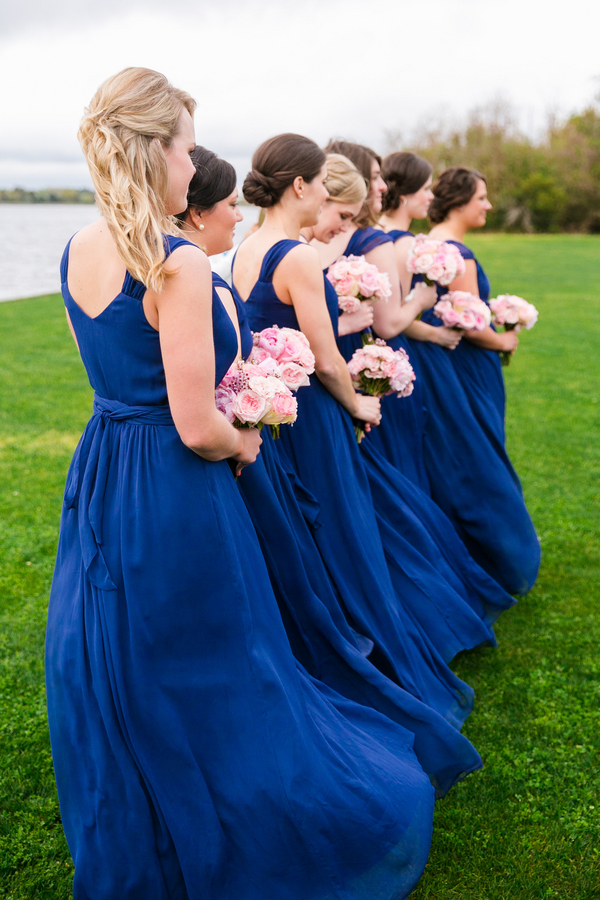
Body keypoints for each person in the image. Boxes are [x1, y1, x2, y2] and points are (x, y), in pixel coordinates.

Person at [45, 69, 439, 900]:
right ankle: (232, 811)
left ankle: (152, 807)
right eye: (188, 147)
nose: (195, 166)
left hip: (106, 468)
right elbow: (195, 424)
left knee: (130, 647)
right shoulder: (176, 262)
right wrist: (247, 439)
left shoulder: (79, 247)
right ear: (158, 152)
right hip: (175, 481)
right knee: (218, 649)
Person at [177, 144, 488, 797]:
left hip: (276, 423)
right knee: (347, 538)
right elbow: (324, 357)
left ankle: (321, 651)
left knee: (307, 544)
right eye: (321, 187)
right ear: (298, 187)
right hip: (314, 422)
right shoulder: (300, 257)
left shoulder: (243, 253)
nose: (328, 201)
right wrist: (360, 402)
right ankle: (373, 664)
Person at [380, 157, 540, 594]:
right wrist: (503, 340)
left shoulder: (424, 244)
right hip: (462, 361)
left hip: (434, 356)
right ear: (460, 203)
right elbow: (470, 320)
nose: (487, 206)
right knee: (480, 446)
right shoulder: (454, 254)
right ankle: (502, 551)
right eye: (482, 198)